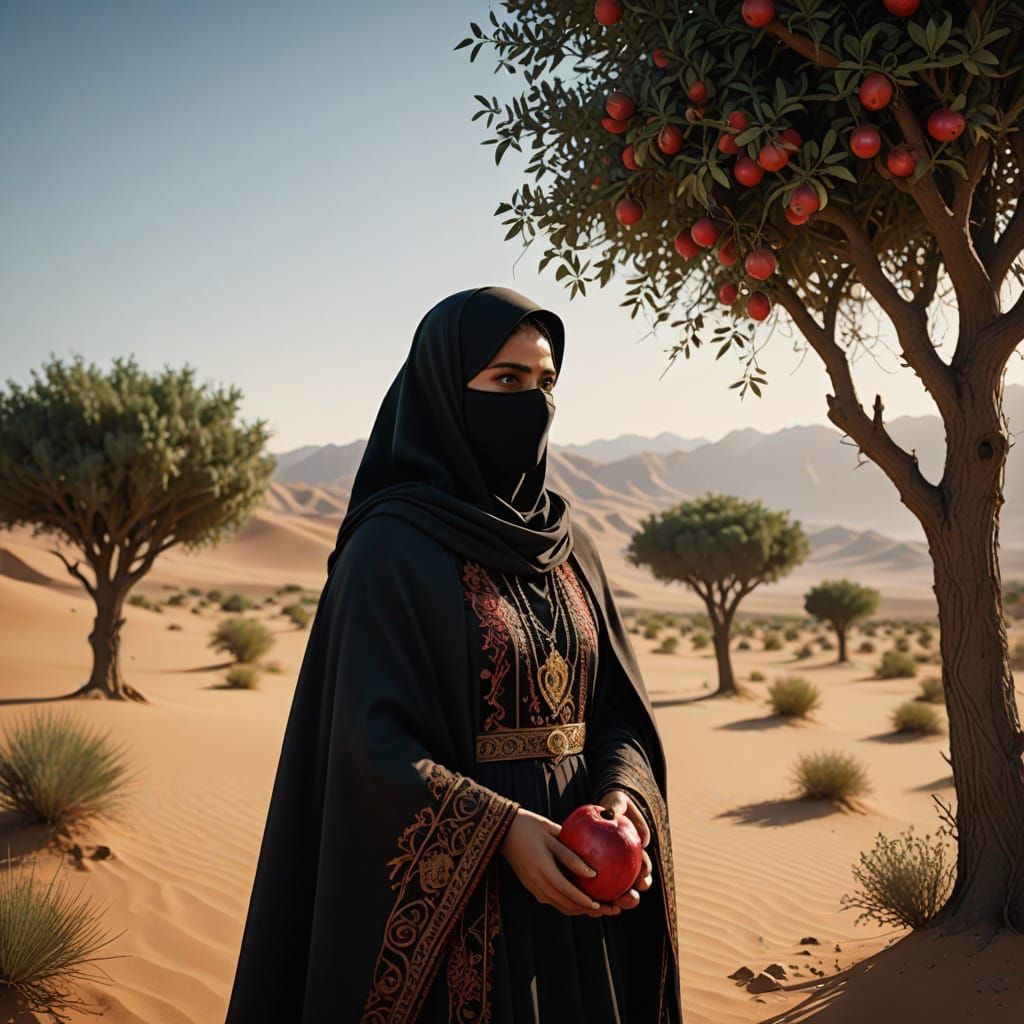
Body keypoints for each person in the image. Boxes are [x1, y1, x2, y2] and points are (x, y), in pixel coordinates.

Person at [223, 286, 683, 1024]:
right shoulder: (390, 549)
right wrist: (499, 830)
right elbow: (364, 746)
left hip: (583, 894)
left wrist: (623, 800)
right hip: (461, 916)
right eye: (506, 381)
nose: (533, 403)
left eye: (546, 383)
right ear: (444, 390)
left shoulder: (573, 551)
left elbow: (618, 712)